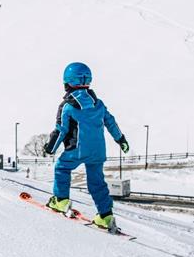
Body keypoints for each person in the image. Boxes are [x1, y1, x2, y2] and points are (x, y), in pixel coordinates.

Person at [43, 62, 130, 232]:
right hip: (97, 151)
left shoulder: (67, 106)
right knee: (96, 182)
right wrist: (121, 139)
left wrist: (50, 148)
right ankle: (105, 216)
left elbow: (61, 130)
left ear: (67, 82)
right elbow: (110, 122)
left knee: (62, 168)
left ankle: (60, 200)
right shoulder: (98, 103)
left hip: (77, 150)